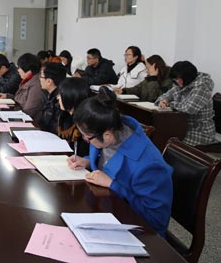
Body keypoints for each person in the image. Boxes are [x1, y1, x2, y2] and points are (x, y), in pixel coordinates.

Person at [68, 88, 173, 237]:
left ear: (107, 134)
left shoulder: (149, 166)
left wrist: (113, 184)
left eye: (87, 137)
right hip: (106, 208)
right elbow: (107, 159)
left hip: (142, 233)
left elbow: (156, 221)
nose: (85, 140)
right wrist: (87, 160)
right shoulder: (111, 127)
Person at [156, 61, 216, 146]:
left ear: (187, 77)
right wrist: (163, 101)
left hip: (199, 131)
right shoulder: (180, 83)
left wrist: (170, 104)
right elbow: (166, 95)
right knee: (160, 133)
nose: (177, 81)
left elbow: (190, 109)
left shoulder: (202, 87)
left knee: (165, 138)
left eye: (179, 79)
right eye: (176, 79)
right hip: (182, 126)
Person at [0, 53, 45, 122]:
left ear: (28, 69)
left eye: (20, 67)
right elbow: (22, 99)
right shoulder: (27, 80)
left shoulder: (36, 85)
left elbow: (29, 111)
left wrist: (10, 116)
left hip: (30, 122)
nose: (18, 70)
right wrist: (7, 96)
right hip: (21, 116)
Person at [57, 77, 91, 157]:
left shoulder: (84, 123)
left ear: (70, 97)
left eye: (60, 95)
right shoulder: (64, 116)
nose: (58, 98)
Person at [38, 62, 67, 132]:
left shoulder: (60, 101)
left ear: (49, 81)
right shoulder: (48, 94)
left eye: (41, 76)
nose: (39, 79)